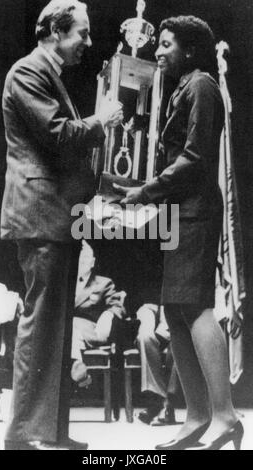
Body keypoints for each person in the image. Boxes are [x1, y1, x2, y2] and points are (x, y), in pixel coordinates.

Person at [114, 16, 243, 450]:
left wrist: (145, 191)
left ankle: (225, 416)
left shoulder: (203, 85)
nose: (158, 52)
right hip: (178, 212)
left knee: (196, 305)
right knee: (173, 310)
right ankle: (198, 415)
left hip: (195, 213)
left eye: (166, 44)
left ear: (190, 49)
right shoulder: (183, 89)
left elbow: (194, 158)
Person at [0, 0, 123, 451]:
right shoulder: (28, 72)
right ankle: (25, 435)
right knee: (41, 323)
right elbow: (58, 135)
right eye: (82, 34)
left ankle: (49, 431)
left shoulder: (46, 75)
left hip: (55, 215)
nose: (87, 44)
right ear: (54, 30)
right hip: (40, 214)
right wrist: (100, 121)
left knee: (56, 327)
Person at [71, 241, 127, 386]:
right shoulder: (65, 282)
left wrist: (108, 315)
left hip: (91, 331)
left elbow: (117, 306)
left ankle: (77, 367)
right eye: (78, 258)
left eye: (85, 258)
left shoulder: (103, 283)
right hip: (64, 331)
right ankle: (77, 367)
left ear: (93, 262)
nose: (81, 261)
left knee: (72, 329)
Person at [136, 304, 178, 426]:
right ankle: (158, 400)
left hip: (177, 304)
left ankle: (168, 403)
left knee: (178, 340)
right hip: (149, 305)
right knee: (145, 337)